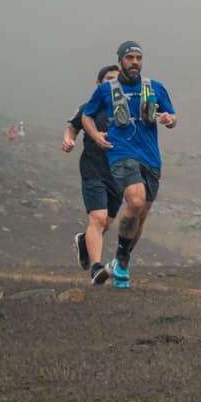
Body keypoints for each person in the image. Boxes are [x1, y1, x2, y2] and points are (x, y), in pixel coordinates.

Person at [80, 41, 177, 289]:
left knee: (141, 216)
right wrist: (95, 135)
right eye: (130, 57)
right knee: (135, 200)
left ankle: (120, 262)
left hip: (151, 157)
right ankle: (115, 262)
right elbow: (86, 115)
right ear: (120, 61)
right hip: (121, 153)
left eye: (138, 58)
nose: (134, 62)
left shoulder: (153, 87)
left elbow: (172, 116)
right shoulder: (106, 90)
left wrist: (169, 119)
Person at [62, 64, 122, 283]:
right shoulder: (89, 107)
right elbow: (72, 127)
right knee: (98, 218)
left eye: (117, 80)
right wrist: (68, 140)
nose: (112, 83)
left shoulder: (125, 110)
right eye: (108, 79)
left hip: (118, 174)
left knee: (106, 223)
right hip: (93, 169)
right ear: (98, 83)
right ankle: (96, 268)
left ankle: (84, 241)